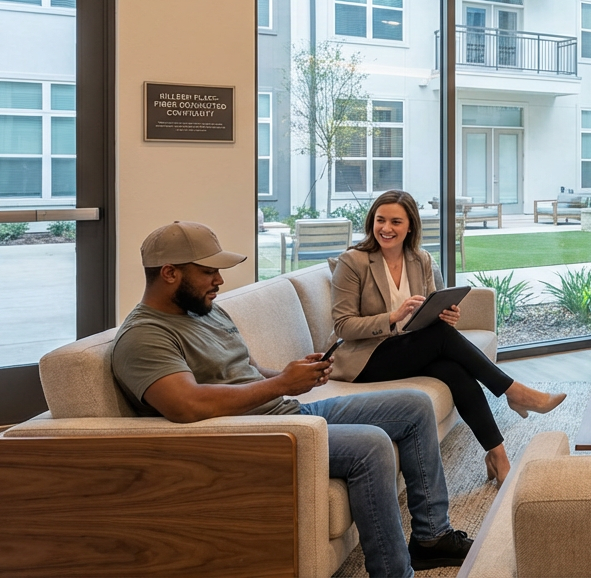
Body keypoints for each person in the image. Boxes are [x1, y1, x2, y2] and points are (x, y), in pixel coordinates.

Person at [111, 221, 471, 578]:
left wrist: (292, 374)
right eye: (208, 272)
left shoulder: (204, 312)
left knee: (413, 404)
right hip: (257, 436)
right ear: (170, 273)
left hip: (285, 412)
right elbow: (185, 405)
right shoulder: (145, 335)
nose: (219, 281)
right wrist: (281, 384)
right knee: (371, 445)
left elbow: (245, 369)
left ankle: (431, 538)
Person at [330, 190, 565, 485]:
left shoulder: (420, 259)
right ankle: (514, 392)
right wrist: (393, 316)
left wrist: (445, 316)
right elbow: (343, 326)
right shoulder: (353, 262)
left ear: (410, 226)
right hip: (365, 359)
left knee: (453, 370)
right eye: (380, 220)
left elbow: (429, 311)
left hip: (409, 349)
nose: (386, 228)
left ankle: (498, 455)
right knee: (441, 338)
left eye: (395, 222)